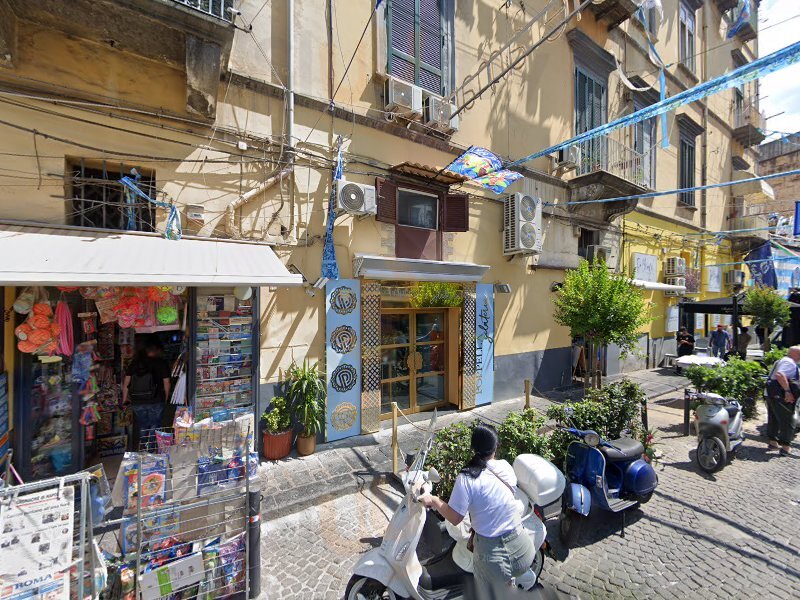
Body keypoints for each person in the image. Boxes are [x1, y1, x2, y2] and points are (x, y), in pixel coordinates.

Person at [419, 425, 534, 599]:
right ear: (495, 447)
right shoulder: (505, 467)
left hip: (493, 561)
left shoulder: (466, 478)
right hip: (524, 551)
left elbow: (455, 518)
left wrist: (434, 500)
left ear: (473, 448)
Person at [123, 341, 171, 450]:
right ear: (156, 351)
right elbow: (167, 383)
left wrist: (124, 399)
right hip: (156, 400)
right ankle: (152, 449)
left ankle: (143, 447)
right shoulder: (161, 363)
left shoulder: (134, 364)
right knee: (156, 425)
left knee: (143, 425)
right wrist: (166, 397)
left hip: (138, 401)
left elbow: (126, 384)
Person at [765, 346, 800, 456]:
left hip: (771, 394)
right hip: (781, 396)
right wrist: (788, 391)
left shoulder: (782, 360)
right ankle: (785, 447)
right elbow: (780, 375)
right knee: (788, 420)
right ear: (796, 354)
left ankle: (773, 443)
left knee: (774, 418)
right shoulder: (789, 362)